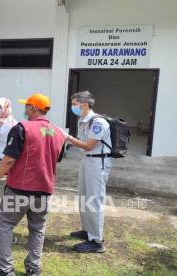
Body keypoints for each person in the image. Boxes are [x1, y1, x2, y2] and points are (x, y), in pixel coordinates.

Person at [0, 94, 66, 276]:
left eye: (27, 105)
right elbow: (57, 158)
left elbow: (9, 159)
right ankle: (33, 269)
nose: (25, 108)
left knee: (4, 224)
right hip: (44, 190)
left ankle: (5, 268)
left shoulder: (22, 128)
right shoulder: (58, 132)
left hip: (20, 188)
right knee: (37, 229)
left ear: (33, 108)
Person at [63, 90, 112, 253]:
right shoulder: (83, 120)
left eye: (74, 104)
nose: (73, 107)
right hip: (87, 159)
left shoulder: (98, 122)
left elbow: (88, 145)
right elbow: (83, 143)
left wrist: (68, 138)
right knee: (84, 196)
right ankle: (88, 231)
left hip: (98, 161)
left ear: (84, 104)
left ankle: (97, 241)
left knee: (94, 199)